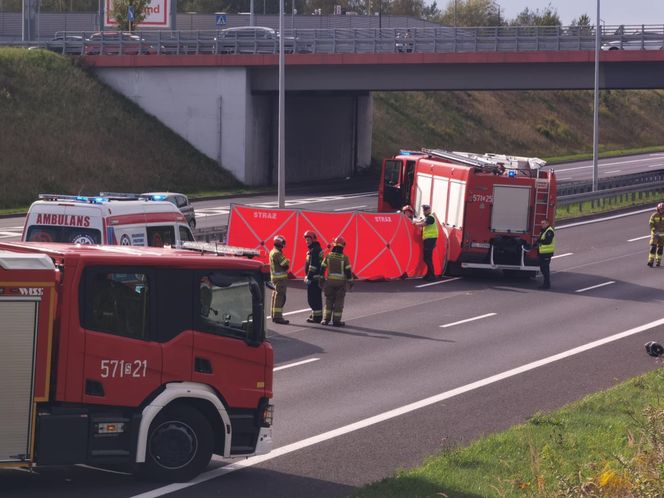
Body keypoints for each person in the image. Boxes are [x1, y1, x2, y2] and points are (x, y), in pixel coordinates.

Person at [320, 236, 353, 327]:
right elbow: (348, 271)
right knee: (339, 302)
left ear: (334, 245)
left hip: (329, 282)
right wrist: (350, 281)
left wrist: (321, 278)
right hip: (341, 283)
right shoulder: (344, 258)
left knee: (329, 300)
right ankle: (336, 321)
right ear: (343, 246)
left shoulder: (328, 256)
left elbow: (322, 267)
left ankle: (325, 320)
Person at [303, 230, 325, 323]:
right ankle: (316, 316)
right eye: (306, 239)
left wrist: (308, 277)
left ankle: (316, 317)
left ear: (313, 239)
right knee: (316, 297)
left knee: (312, 298)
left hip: (314, 278)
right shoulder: (315, 249)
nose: (307, 241)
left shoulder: (314, 250)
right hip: (316, 277)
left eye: (309, 239)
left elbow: (313, 266)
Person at [269, 235, 290, 324]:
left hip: (274, 278)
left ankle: (274, 315)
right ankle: (278, 317)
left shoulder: (272, 251)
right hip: (280, 279)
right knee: (280, 297)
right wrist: (287, 260)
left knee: (275, 296)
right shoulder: (277, 253)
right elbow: (285, 265)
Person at [415, 204, 438, 281]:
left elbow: (423, 224)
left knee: (427, 258)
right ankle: (429, 274)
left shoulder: (430, 218)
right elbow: (421, 221)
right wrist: (415, 221)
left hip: (430, 239)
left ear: (429, 210)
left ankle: (432, 275)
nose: (424, 211)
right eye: (423, 210)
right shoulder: (427, 217)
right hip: (429, 239)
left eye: (425, 210)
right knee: (427, 258)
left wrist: (415, 224)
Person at [534, 219, 555, 289]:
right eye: (541, 223)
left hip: (547, 253)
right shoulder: (543, 231)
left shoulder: (549, 231)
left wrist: (539, 241)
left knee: (545, 269)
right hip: (542, 253)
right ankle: (546, 284)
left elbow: (548, 241)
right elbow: (540, 240)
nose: (542, 225)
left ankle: (546, 285)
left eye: (543, 223)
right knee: (543, 268)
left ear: (547, 223)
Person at [647, 202, 664, 267]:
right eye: (660, 209)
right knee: (653, 247)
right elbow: (651, 223)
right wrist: (654, 230)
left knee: (660, 249)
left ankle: (658, 262)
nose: (662, 210)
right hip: (655, 235)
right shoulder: (654, 215)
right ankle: (650, 261)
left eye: (663, 209)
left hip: (662, 236)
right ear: (658, 209)